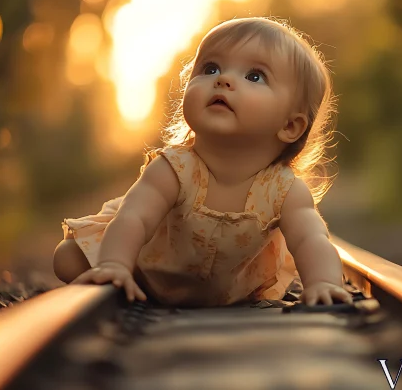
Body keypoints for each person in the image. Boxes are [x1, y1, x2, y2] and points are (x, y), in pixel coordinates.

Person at [52, 17, 352, 307]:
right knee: (66, 259)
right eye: (210, 68)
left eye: (254, 76)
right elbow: (135, 217)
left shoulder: (284, 189)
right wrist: (115, 264)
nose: (222, 79)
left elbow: (311, 239)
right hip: (144, 270)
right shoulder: (176, 168)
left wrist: (324, 284)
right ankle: (123, 276)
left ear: (290, 126)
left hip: (223, 290)